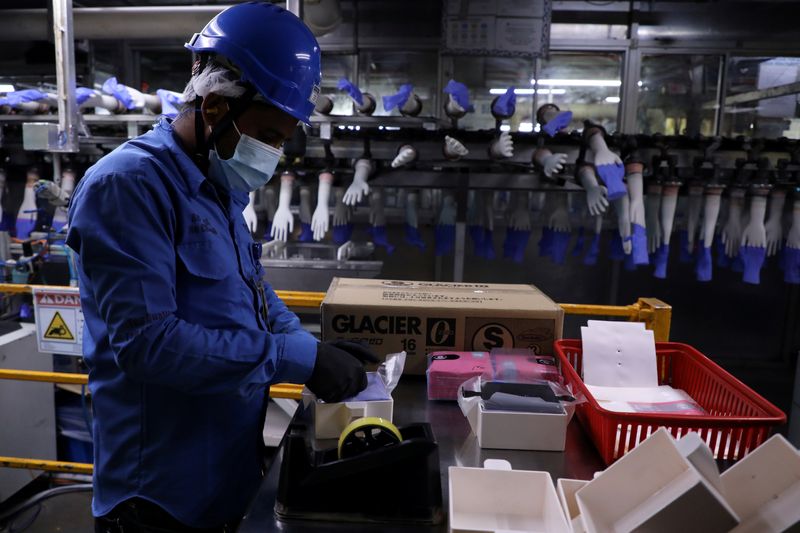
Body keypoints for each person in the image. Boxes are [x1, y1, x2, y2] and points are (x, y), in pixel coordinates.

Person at [66, 3, 376, 531]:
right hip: (158, 498)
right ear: (213, 109)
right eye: (269, 137)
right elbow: (149, 344)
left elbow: (252, 290)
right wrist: (294, 357)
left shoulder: (217, 185)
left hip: (228, 476)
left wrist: (309, 345)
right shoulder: (129, 186)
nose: (274, 155)